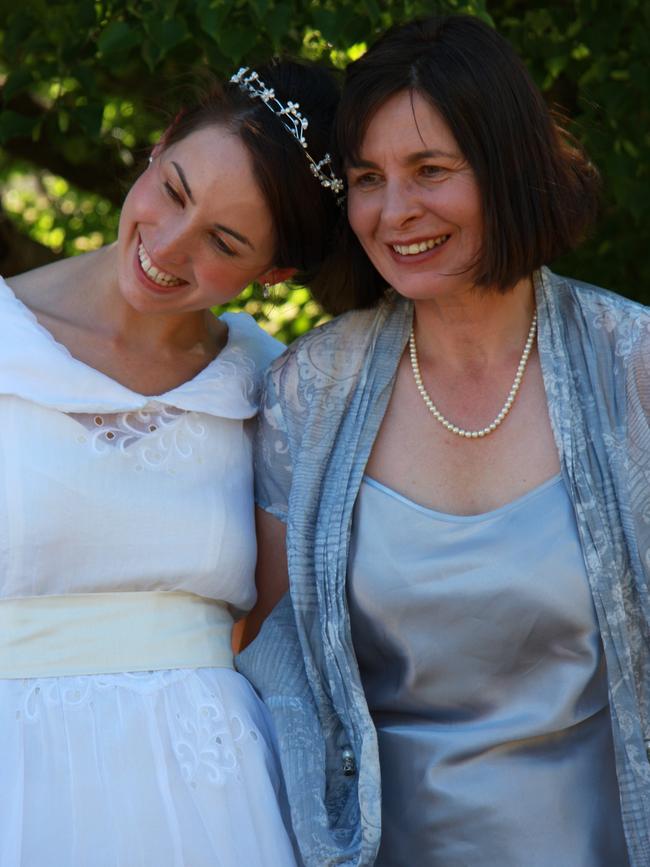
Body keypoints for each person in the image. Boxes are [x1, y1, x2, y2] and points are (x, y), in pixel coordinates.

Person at [238, 15, 650, 867]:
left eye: (430, 170)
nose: (395, 212)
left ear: (507, 168)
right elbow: (280, 680)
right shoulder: (307, 397)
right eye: (367, 178)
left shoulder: (634, 366)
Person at [0, 58, 342, 866]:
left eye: (225, 241)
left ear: (275, 274)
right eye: (177, 191)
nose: (169, 245)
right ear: (158, 147)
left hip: (211, 798)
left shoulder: (274, 386)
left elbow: (284, 626)